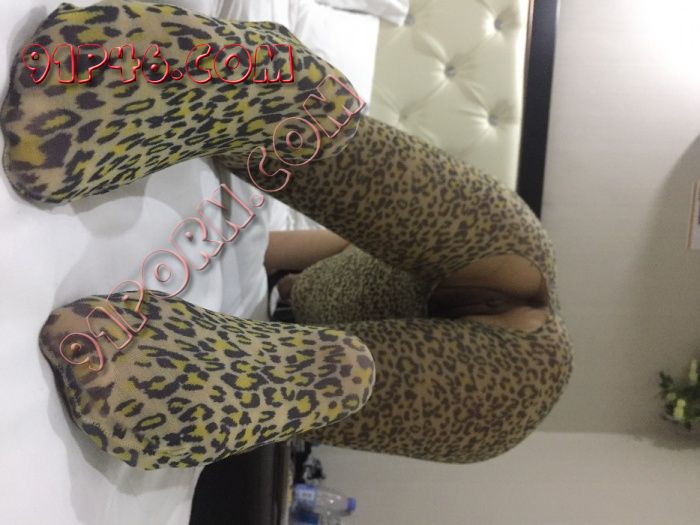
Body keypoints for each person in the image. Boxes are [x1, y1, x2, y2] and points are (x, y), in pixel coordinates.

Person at [3, 0, 573, 469]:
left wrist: (272, 268)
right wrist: (255, 261)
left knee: (509, 280)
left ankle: (270, 107)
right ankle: (219, 386)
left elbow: (282, 253)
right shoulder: (339, 278)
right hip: (385, 353)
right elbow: (271, 252)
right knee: (496, 383)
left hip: (483, 261)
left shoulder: (351, 266)